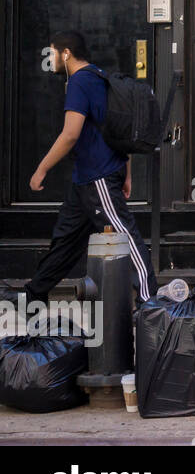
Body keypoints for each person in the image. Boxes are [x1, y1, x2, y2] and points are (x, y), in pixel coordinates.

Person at [0, 32, 157, 309]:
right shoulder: (98, 76)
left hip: (98, 176)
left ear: (66, 54)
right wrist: (127, 172)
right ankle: (34, 293)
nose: (51, 60)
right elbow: (116, 128)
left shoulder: (79, 82)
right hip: (89, 177)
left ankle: (150, 301)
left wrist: (41, 169)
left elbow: (70, 134)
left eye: (53, 54)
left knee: (124, 234)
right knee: (66, 239)